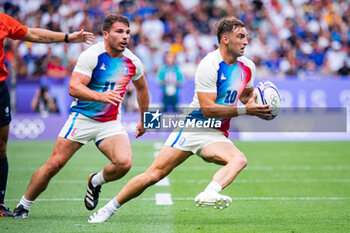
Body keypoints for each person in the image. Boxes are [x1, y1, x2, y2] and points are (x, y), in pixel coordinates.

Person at [88, 17, 272, 223]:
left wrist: (259, 104)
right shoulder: (209, 65)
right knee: (153, 175)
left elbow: (246, 95)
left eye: (246, 37)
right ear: (226, 39)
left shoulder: (248, 67)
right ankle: (107, 209)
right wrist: (246, 111)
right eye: (240, 37)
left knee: (239, 160)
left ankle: (210, 192)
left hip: (215, 134)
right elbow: (208, 110)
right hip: (192, 128)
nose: (246, 41)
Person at [12, 14, 149, 219]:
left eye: (128, 32)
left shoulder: (133, 62)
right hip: (82, 118)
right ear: (105, 34)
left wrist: (144, 119)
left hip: (110, 122)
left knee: (124, 163)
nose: (125, 36)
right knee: (54, 165)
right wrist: (100, 96)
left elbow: (142, 89)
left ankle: (95, 181)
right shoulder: (92, 55)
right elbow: (73, 87)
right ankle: (23, 206)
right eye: (119, 31)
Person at [0, 12, 95, 217]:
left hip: (0, 89)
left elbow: (32, 34)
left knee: (1, 146)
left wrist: (68, 38)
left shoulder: (2, 20)